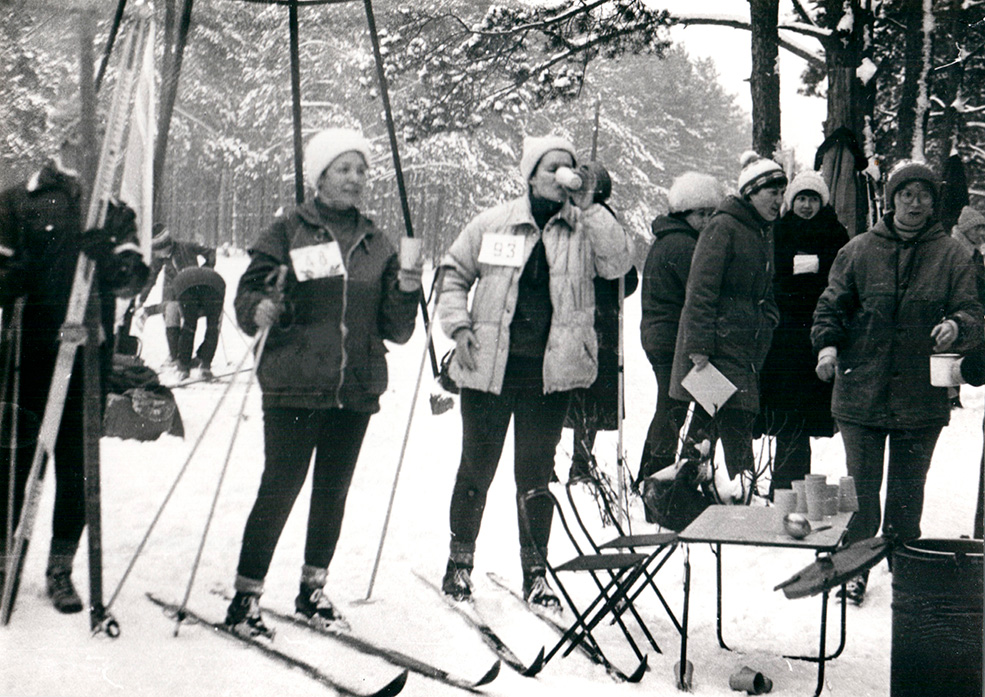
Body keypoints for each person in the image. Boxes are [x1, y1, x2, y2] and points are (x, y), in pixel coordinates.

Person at [224, 127, 421, 636]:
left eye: (361, 170)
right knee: (281, 487)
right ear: (319, 177)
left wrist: (406, 290)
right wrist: (259, 307)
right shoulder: (288, 229)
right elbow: (249, 296)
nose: (355, 179)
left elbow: (397, 331)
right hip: (294, 380)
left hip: (355, 385)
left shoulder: (378, 243)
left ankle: (312, 589)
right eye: (343, 169)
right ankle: (246, 597)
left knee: (333, 491)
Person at [438, 135, 634, 607]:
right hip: (489, 369)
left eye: (569, 168)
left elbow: (620, 266)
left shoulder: (585, 227)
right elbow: (452, 273)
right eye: (552, 169)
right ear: (529, 176)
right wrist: (458, 326)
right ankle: (459, 563)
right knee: (476, 469)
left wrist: (591, 208)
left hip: (550, 375)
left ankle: (536, 571)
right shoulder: (496, 223)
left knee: (535, 475)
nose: (562, 176)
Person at [812, 160, 984, 605]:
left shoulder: (953, 255)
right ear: (892, 200)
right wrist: (828, 347)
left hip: (919, 396)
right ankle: (854, 568)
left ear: (933, 202)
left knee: (908, 493)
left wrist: (957, 327)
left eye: (924, 195)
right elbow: (830, 307)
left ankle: (906, 569)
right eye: (906, 194)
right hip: (860, 391)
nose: (915, 202)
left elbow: (973, 312)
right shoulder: (858, 250)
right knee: (861, 492)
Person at [0, 130, 148, 614]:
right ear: (57, 139)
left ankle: (60, 568)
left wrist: (107, 254)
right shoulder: (18, 200)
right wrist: (18, 275)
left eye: (97, 137)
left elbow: (132, 279)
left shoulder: (114, 210)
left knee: (77, 467)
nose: (84, 144)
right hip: (27, 355)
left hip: (88, 355)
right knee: (12, 463)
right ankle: (2, 559)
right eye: (76, 134)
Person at [668, 152, 785, 491]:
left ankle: (681, 495)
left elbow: (763, 291)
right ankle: (742, 498)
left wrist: (768, 318)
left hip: (742, 348)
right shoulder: (723, 226)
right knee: (735, 421)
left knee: (706, 428)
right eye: (771, 193)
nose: (778, 201)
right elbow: (700, 290)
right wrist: (700, 349)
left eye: (781, 194)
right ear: (750, 193)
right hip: (717, 352)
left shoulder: (761, 231)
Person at [758, 170, 849, 494]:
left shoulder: (835, 234)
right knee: (787, 418)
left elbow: (840, 281)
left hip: (816, 336)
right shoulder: (776, 232)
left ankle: (795, 488)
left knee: (805, 416)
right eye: (801, 198)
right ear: (791, 200)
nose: (807, 205)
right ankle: (784, 488)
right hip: (783, 339)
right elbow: (769, 276)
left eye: (813, 198)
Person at [639, 172, 723, 500]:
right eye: (700, 214)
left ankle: (653, 475)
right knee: (701, 401)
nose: (706, 220)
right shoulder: (683, 244)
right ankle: (674, 478)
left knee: (673, 405)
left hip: (662, 336)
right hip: (673, 339)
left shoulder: (668, 239)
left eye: (709, 214)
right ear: (683, 214)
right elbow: (703, 289)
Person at [565, 166, 638, 483]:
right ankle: (578, 461)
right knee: (584, 395)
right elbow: (629, 278)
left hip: (589, 320)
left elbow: (627, 277)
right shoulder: (600, 221)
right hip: (596, 322)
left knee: (574, 393)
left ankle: (573, 462)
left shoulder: (585, 220)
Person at [136, 224, 218, 380]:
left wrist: (205, 270)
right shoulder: (160, 258)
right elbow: (151, 277)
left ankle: (194, 358)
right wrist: (141, 298)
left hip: (194, 292)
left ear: (166, 244)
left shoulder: (186, 246)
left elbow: (210, 252)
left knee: (177, 311)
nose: (159, 255)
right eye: (157, 252)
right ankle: (175, 357)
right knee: (170, 310)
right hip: (174, 293)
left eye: (160, 250)